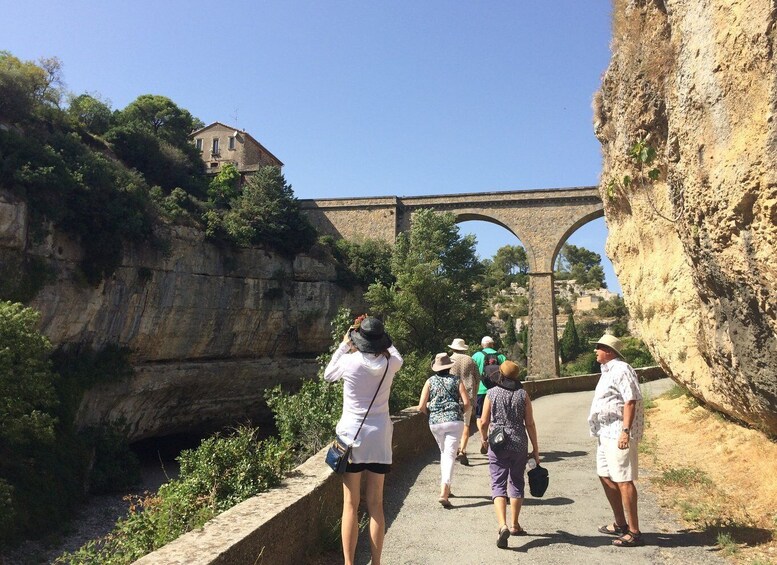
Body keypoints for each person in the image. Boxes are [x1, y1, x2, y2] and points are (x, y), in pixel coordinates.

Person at [324, 316, 403, 565]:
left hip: (352, 438)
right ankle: (376, 562)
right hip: (379, 438)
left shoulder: (349, 362)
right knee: (376, 505)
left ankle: (349, 563)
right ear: (381, 340)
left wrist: (344, 343)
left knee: (350, 504)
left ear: (358, 339)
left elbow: (328, 375)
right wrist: (384, 338)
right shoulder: (392, 364)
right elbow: (394, 351)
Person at [588, 333, 645, 548]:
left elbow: (631, 400)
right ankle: (620, 523)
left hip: (617, 432)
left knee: (624, 479)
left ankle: (634, 531)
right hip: (605, 432)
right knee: (605, 475)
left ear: (609, 351)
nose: (596, 351)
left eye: (599, 347)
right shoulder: (607, 371)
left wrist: (625, 431)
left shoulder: (622, 369)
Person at [479, 360, 539, 549]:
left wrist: (484, 439)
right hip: (519, 442)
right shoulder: (523, 394)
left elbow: (483, 421)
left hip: (498, 442)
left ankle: (502, 524)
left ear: (501, 375)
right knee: (516, 481)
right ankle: (515, 524)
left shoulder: (492, 393)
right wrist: (536, 448)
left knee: (498, 483)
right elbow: (529, 422)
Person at [416, 352, 471, 507]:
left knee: (444, 454)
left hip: (435, 423)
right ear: (449, 367)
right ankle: (444, 492)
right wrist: (459, 412)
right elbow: (466, 403)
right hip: (454, 421)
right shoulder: (456, 380)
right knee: (449, 456)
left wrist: (432, 414)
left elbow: (421, 406)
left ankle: (447, 487)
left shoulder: (430, 381)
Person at [447, 338, 480, 465]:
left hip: (453, 397)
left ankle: (454, 450)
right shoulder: (470, 360)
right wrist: (475, 395)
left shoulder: (449, 360)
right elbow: (477, 378)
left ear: (453, 348)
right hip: (468, 396)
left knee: (453, 425)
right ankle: (463, 451)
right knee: (465, 425)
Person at [472, 336, 506, 453]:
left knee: (479, 416)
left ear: (482, 345)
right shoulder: (501, 356)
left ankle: (483, 438)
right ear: (493, 344)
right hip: (497, 390)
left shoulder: (476, 356)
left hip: (481, 390)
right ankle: (495, 440)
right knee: (497, 417)